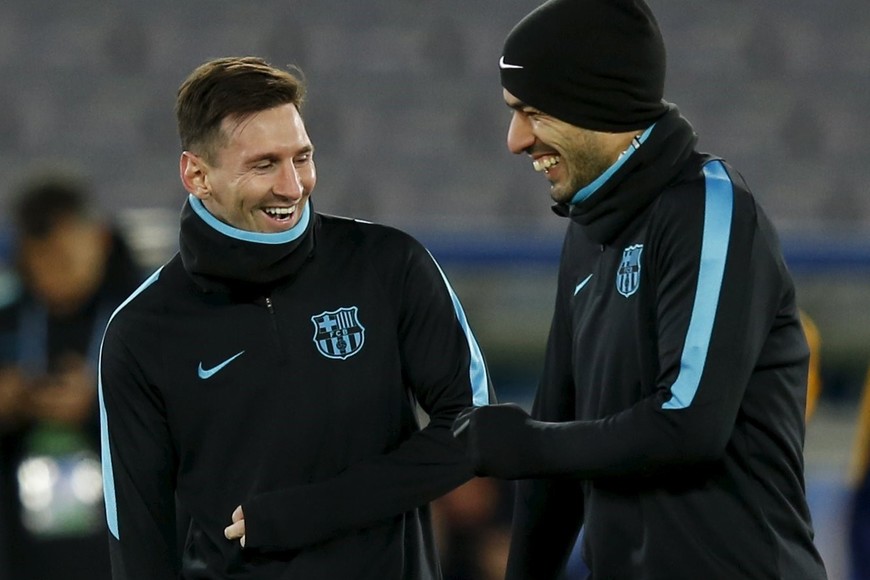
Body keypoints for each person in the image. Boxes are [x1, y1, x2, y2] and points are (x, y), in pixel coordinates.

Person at [452, 1, 828, 578]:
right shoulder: (586, 234)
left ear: (595, 103)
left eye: (532, 111)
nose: (515, 139)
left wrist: (527, 444)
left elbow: (689, 424)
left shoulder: (708, 210)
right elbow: (556, 445)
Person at [98, 56, 493, 579]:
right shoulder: (142, 329)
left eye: (301, 158)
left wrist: (307, 513)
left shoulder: (388, 262)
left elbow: (473, 430)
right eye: (264, 165)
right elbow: (138, 536)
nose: (293, 186)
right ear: (197, 174)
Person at [0, 172, 144, 579]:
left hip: (120, 548)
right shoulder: (9, 324)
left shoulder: (140, 323)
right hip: (24, 548)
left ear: (98, 239)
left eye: (63, 257)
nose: (50, 273)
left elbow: (185, 423)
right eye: (37, 261)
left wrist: (98, 405)